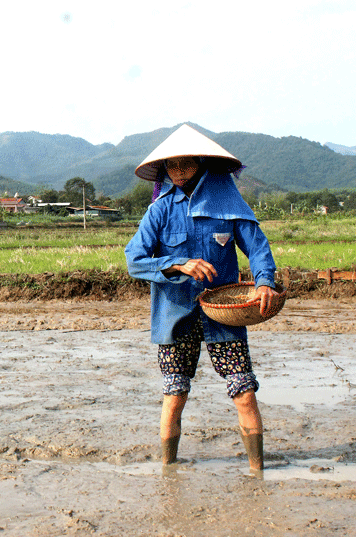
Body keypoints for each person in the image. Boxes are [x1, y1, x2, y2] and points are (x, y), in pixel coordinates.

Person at [124, 124, 277, 473]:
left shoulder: (229, 205)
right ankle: (169, 470)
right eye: (172, 166)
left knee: (244, 391)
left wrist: (265, 281)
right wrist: (178, 263)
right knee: (175, 395)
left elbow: (257, 247)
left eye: (186, 164)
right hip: (175, 313)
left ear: (203, 165)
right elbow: (135, 259)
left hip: (223, 314)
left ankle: (258, 473)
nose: (177, 172)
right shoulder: (160, 211)